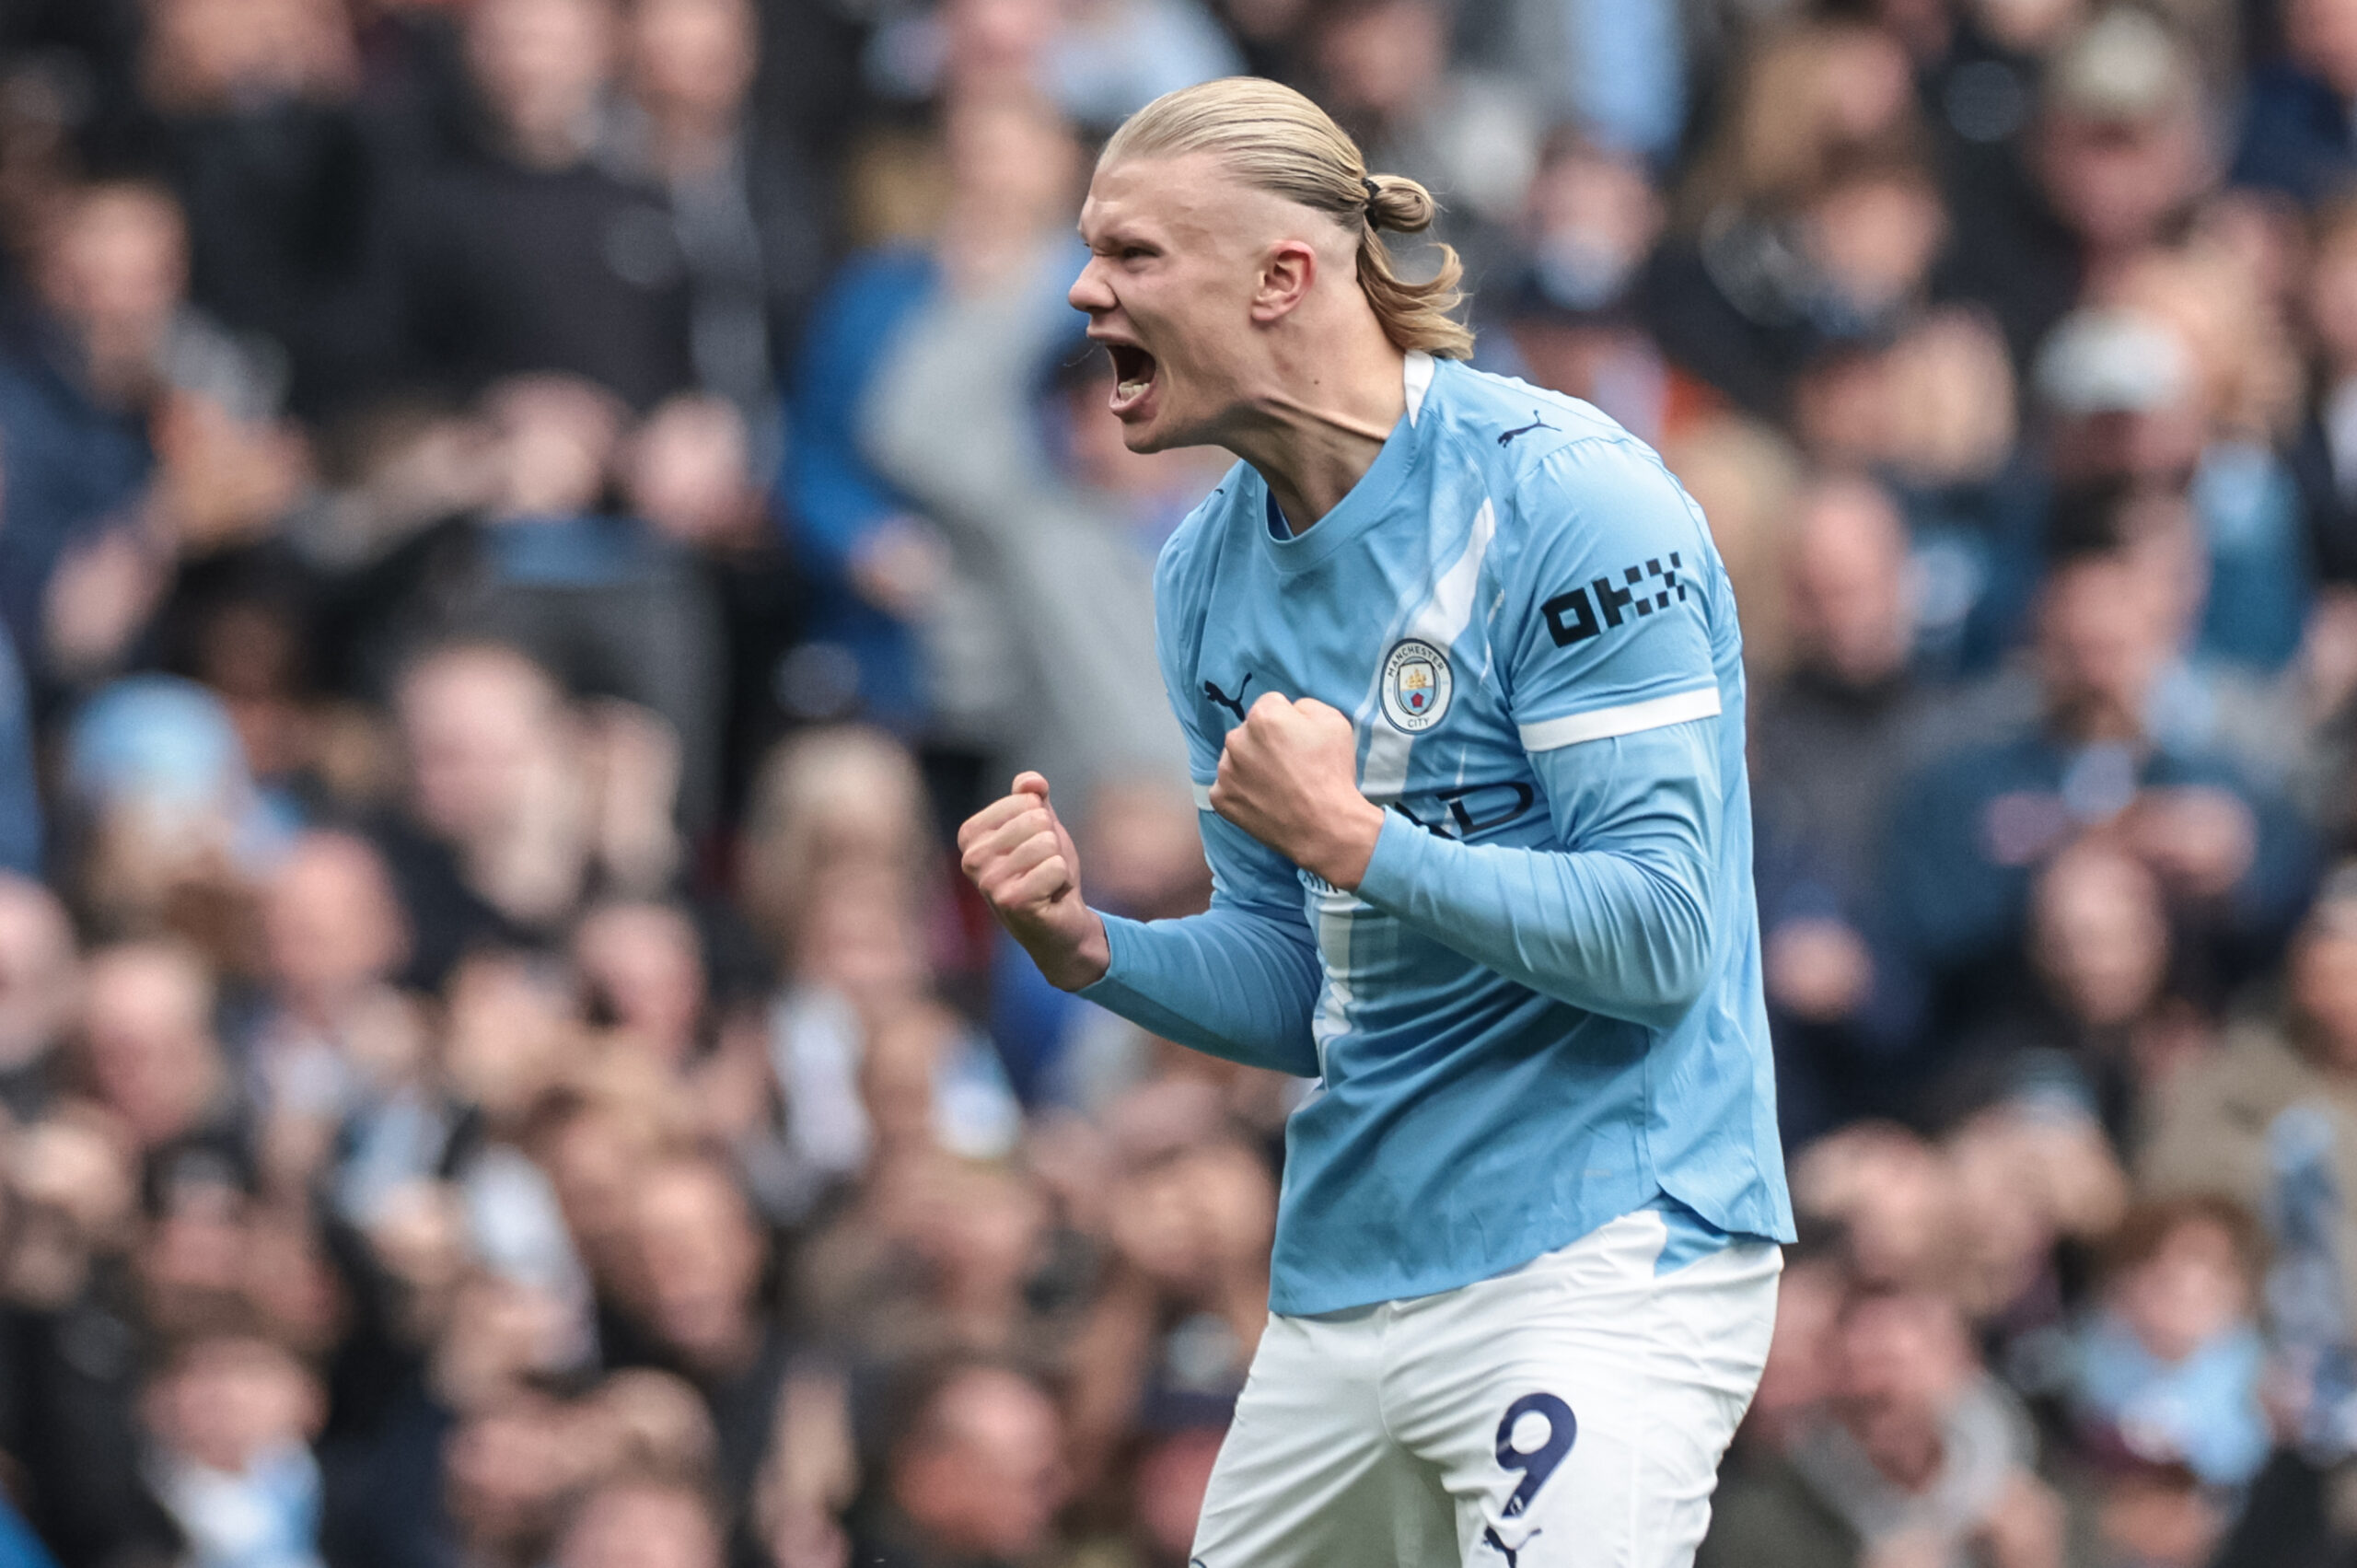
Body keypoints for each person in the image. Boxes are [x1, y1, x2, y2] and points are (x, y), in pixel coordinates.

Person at [956, 77, 1791, 1568]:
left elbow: (1667, 936)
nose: (1083, 290)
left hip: (1599, 1258)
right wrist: (1092, 949)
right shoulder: (1202, 575)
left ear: (1286, 277)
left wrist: (1361, 843)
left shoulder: (1573, 505)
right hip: (1347, 1281)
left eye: (1134, 256)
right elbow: (1307, 981)